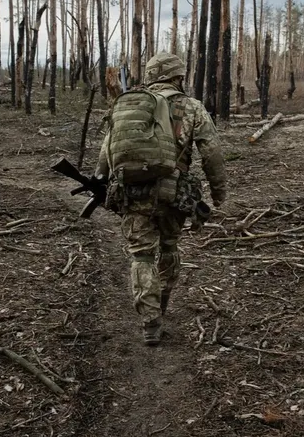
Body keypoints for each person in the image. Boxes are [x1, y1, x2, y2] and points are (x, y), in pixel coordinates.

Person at [96, 51, 227, 345]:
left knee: (141, 254)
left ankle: (149, 319)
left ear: (151, 76)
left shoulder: (130, 106)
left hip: (134, 193)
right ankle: (163, 301)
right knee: (168, 246)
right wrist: (219, 193)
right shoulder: (192, 107)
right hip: (174, 194)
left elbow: (106, 151)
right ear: (178, 77)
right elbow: (212, 153)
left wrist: (102, 180)